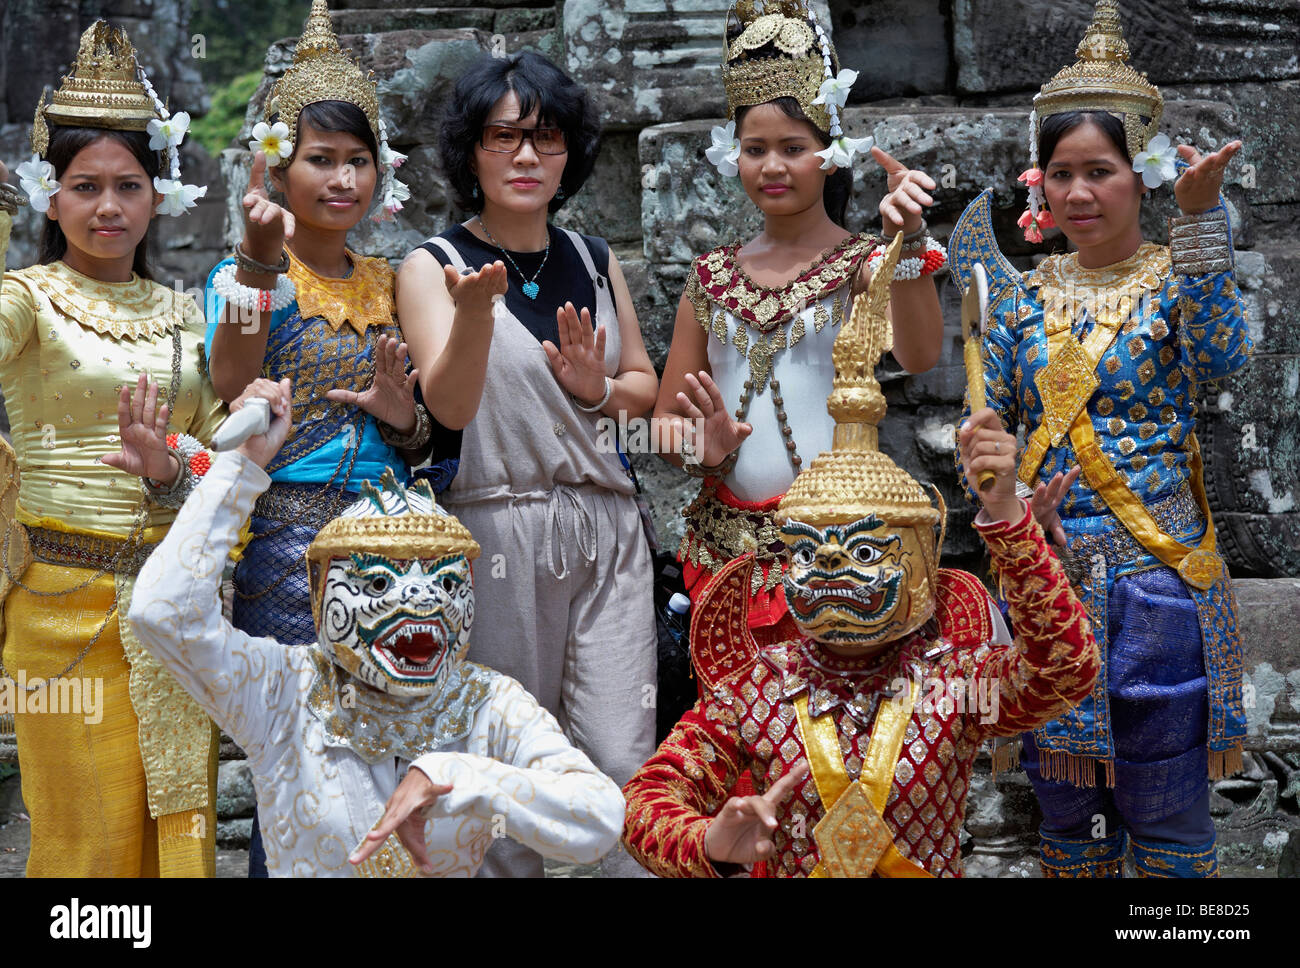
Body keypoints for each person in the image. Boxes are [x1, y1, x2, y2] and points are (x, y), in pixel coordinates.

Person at [620, 237, 1098, 877]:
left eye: (866, 551)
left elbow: (1066, 672)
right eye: (809, 554)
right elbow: (645, 804)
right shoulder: (755, 691)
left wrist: (1010, 519)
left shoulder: (953, 685)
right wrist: (707, 843)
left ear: (922, 567)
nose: (831, 572)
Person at [950, 0, 1251, 877]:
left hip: (1157, 575)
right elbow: (989, 413)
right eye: (1061, 173)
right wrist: (986, 461)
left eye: (1101, 171)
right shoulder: (1016, 295)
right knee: (1069, 817)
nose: (1078, 192)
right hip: (1046, 575)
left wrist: (1199, 226)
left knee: (1168, 814)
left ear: (1142, 175)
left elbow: (1223, 361)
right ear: (1037, 181)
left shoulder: (1174, 277)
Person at [126, 377, 626, 877]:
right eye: (381, 580)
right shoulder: (281, 690)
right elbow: (162, 612)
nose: (422, 596)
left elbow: (600, 818)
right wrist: (240, 468)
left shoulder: (486, 703)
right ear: (322, 592)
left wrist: (456, 774)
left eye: (446, 582)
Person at [201, 0, 466, 875]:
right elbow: (233, 382)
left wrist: (404, 418)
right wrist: (256, 263)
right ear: (277, 168)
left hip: (390, 540)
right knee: (297, 749)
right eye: (321, 160)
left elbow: (431, 426)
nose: (343, 179)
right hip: (286, 541)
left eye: (358, 161)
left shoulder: (398, 280)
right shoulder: (244, 273)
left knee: (386, 743)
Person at [402, 49, 659, 877]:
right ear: (470, 152)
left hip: (609, 529)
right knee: (504, 769)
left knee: (623, 760)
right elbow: (447, 407)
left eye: (545, 138)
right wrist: (475, 315)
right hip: (496, 527)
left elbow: (644, 387)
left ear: (569, 152)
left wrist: (598, 390)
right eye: (502, 136)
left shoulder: (593, 257)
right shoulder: (431, 264)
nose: (524, 156)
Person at [653, 0, 945, 658]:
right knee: (735, 737)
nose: (772, 166)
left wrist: (910, 245)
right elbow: (666, 425)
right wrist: (707, 447)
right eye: (755, 149)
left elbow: (923, 354)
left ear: (831, 153)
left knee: (834, 738)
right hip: (726, 553)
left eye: (793, 147)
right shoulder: (709, 281)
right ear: (734, 157)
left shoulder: (862, 267)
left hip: (842, 551)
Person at [0, 21, 222, 876]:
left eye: (129, 185)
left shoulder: (184, 314)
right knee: (83, 839)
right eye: (84, 185)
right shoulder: (27, 298)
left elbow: (217, 463)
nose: (107, 207)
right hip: (57, 605)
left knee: (182, 824)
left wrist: (171, 466)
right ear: (49, 197)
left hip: (172, 605)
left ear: (158, 196)